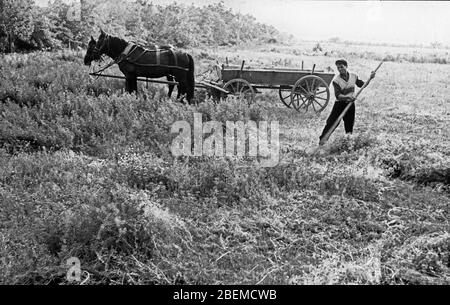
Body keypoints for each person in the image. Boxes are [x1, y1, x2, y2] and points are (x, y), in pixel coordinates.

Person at [318, 59, 376, 145]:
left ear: (346, 66)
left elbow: (362, 85)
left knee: (349, 124)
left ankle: (348, 143)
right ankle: (322, 141)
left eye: (342, 67)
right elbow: (338, 96)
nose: (340, 69)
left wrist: (370, 78)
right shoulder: (336, 81)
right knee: (331, 123)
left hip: (350, 105)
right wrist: (348, 97)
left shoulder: (354, 76)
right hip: (339, 105)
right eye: (338, 68)